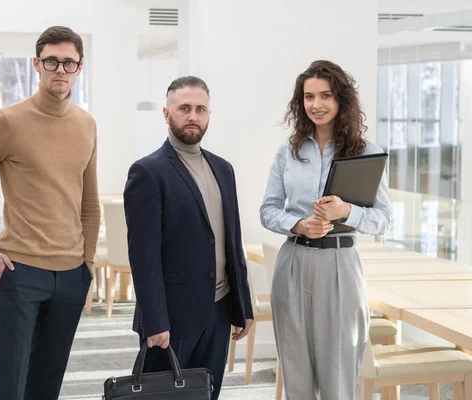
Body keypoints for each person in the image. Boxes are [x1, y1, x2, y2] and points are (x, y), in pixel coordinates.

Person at [0, 26, 99, 400]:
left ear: (79, 68)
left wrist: (87, 266)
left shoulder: (87, 124)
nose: (60, 70)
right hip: (19, 273)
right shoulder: (8, 122)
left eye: (69, 63)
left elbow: (89, 205)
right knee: (8, 384)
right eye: (51, 61)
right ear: (37, 64)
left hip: (71, 275)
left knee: (46, 384)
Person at [260, 60, 392, 400]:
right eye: (308, 97)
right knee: (296, 372)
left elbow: (383, 218)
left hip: (340, 266)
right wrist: (298, 223)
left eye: (325, 95)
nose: (316, 104)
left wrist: (346, 210)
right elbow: (268, 209)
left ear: (341, 100)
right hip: (293, 262)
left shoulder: (367, 151)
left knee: (338, 373)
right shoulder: (286, 152)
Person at [123, 76, 254, 400]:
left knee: (206, 395)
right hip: (171, 317)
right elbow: (144, 257)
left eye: (200, 109)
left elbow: (232, 242)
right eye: (184, 108)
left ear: (209, 114)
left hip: (218, 312)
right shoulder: (148, 171)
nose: (193, 116)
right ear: (167, 115)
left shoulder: (223, 169)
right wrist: (155, 321)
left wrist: (243, 306)